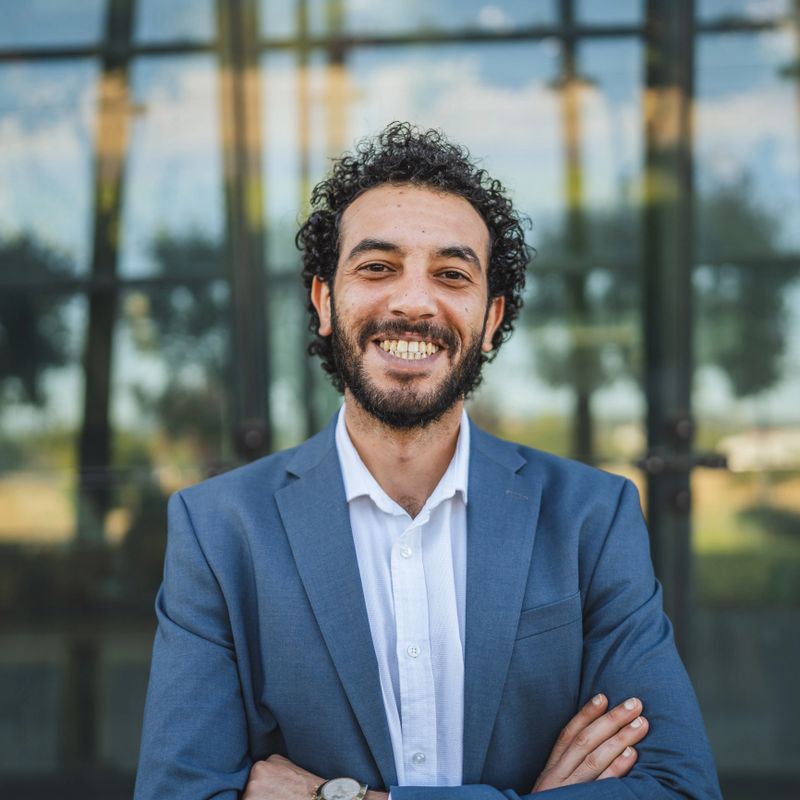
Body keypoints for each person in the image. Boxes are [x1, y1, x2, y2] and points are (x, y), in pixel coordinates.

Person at [134, 122, 721, 800]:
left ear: (491, 317)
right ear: (325, 301)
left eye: (450, 274)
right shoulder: (219, 531)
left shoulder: (593, 516)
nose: (414, 302)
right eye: (378, 267)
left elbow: (679, 789)